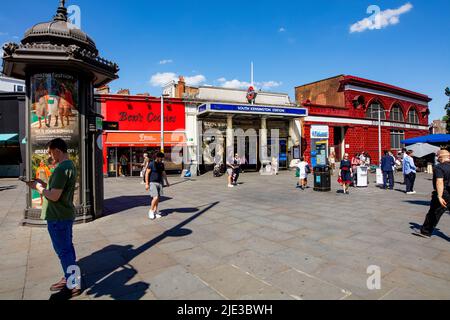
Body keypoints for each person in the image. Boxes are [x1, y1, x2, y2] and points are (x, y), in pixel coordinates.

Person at [26, 138, 81, 297]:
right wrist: (44, 184)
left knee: (63, 251)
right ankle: (70, 277)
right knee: (67, 249)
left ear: (57, 150)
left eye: (50, 152)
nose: (50, 156)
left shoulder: (61, 168)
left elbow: (54, 196)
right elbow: (58, 190)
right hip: (64, 215)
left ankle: (73, 284)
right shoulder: (70, 166)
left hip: (58, 216)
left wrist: (37, 187)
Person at [414, 150, 450, 238]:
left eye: (437, 156)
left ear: (441, 157)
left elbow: (439, 181)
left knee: (434, 213)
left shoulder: (439, 167)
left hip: (444, 193)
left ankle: (425, 231)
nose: (437, 158)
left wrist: (439, 196)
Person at [145, 152, 170, 220]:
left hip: (160, 183)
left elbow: (163, 173)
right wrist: (147, 183)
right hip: (152, 182)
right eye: (161, 158)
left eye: (162, 158)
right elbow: (147, 173)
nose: (162, 159)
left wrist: (167, 182)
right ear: (157, 157)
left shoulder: (161, 164)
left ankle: (155, 212)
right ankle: (151, 211)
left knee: (158, 198)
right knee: (155, 197)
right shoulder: (152, 163)